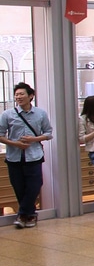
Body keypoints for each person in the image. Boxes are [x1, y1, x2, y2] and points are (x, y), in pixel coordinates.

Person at [1, 83, 53, 228]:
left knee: (35, 185)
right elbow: (0, 135)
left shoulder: (40, 113)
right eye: (16, 95)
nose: (18, 97)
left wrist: (34, 139)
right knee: (19, 187)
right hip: (14, 157)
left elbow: (48, 133)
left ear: (30, 96)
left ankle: (22, 214)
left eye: (21, 94)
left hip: (34, 155)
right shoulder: (7, 114)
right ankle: (30, 215)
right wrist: (15, 144)